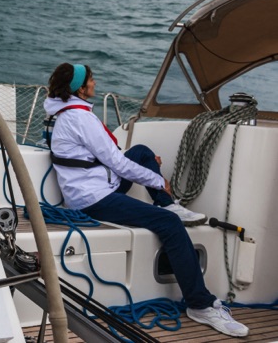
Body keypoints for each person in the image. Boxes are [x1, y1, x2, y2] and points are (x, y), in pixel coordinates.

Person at [44, 62, 249, 338]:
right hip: (93, 198)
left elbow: (108, 159)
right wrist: (156, 180)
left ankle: (167, 203)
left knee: (140, 152)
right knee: (169, 224)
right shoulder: (80, 119)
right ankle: (200, 305)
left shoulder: (68, 112)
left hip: (96, 185)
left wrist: (148, 166)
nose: (95, 82)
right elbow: (116, 162)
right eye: (91, 80)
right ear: (80, 89)